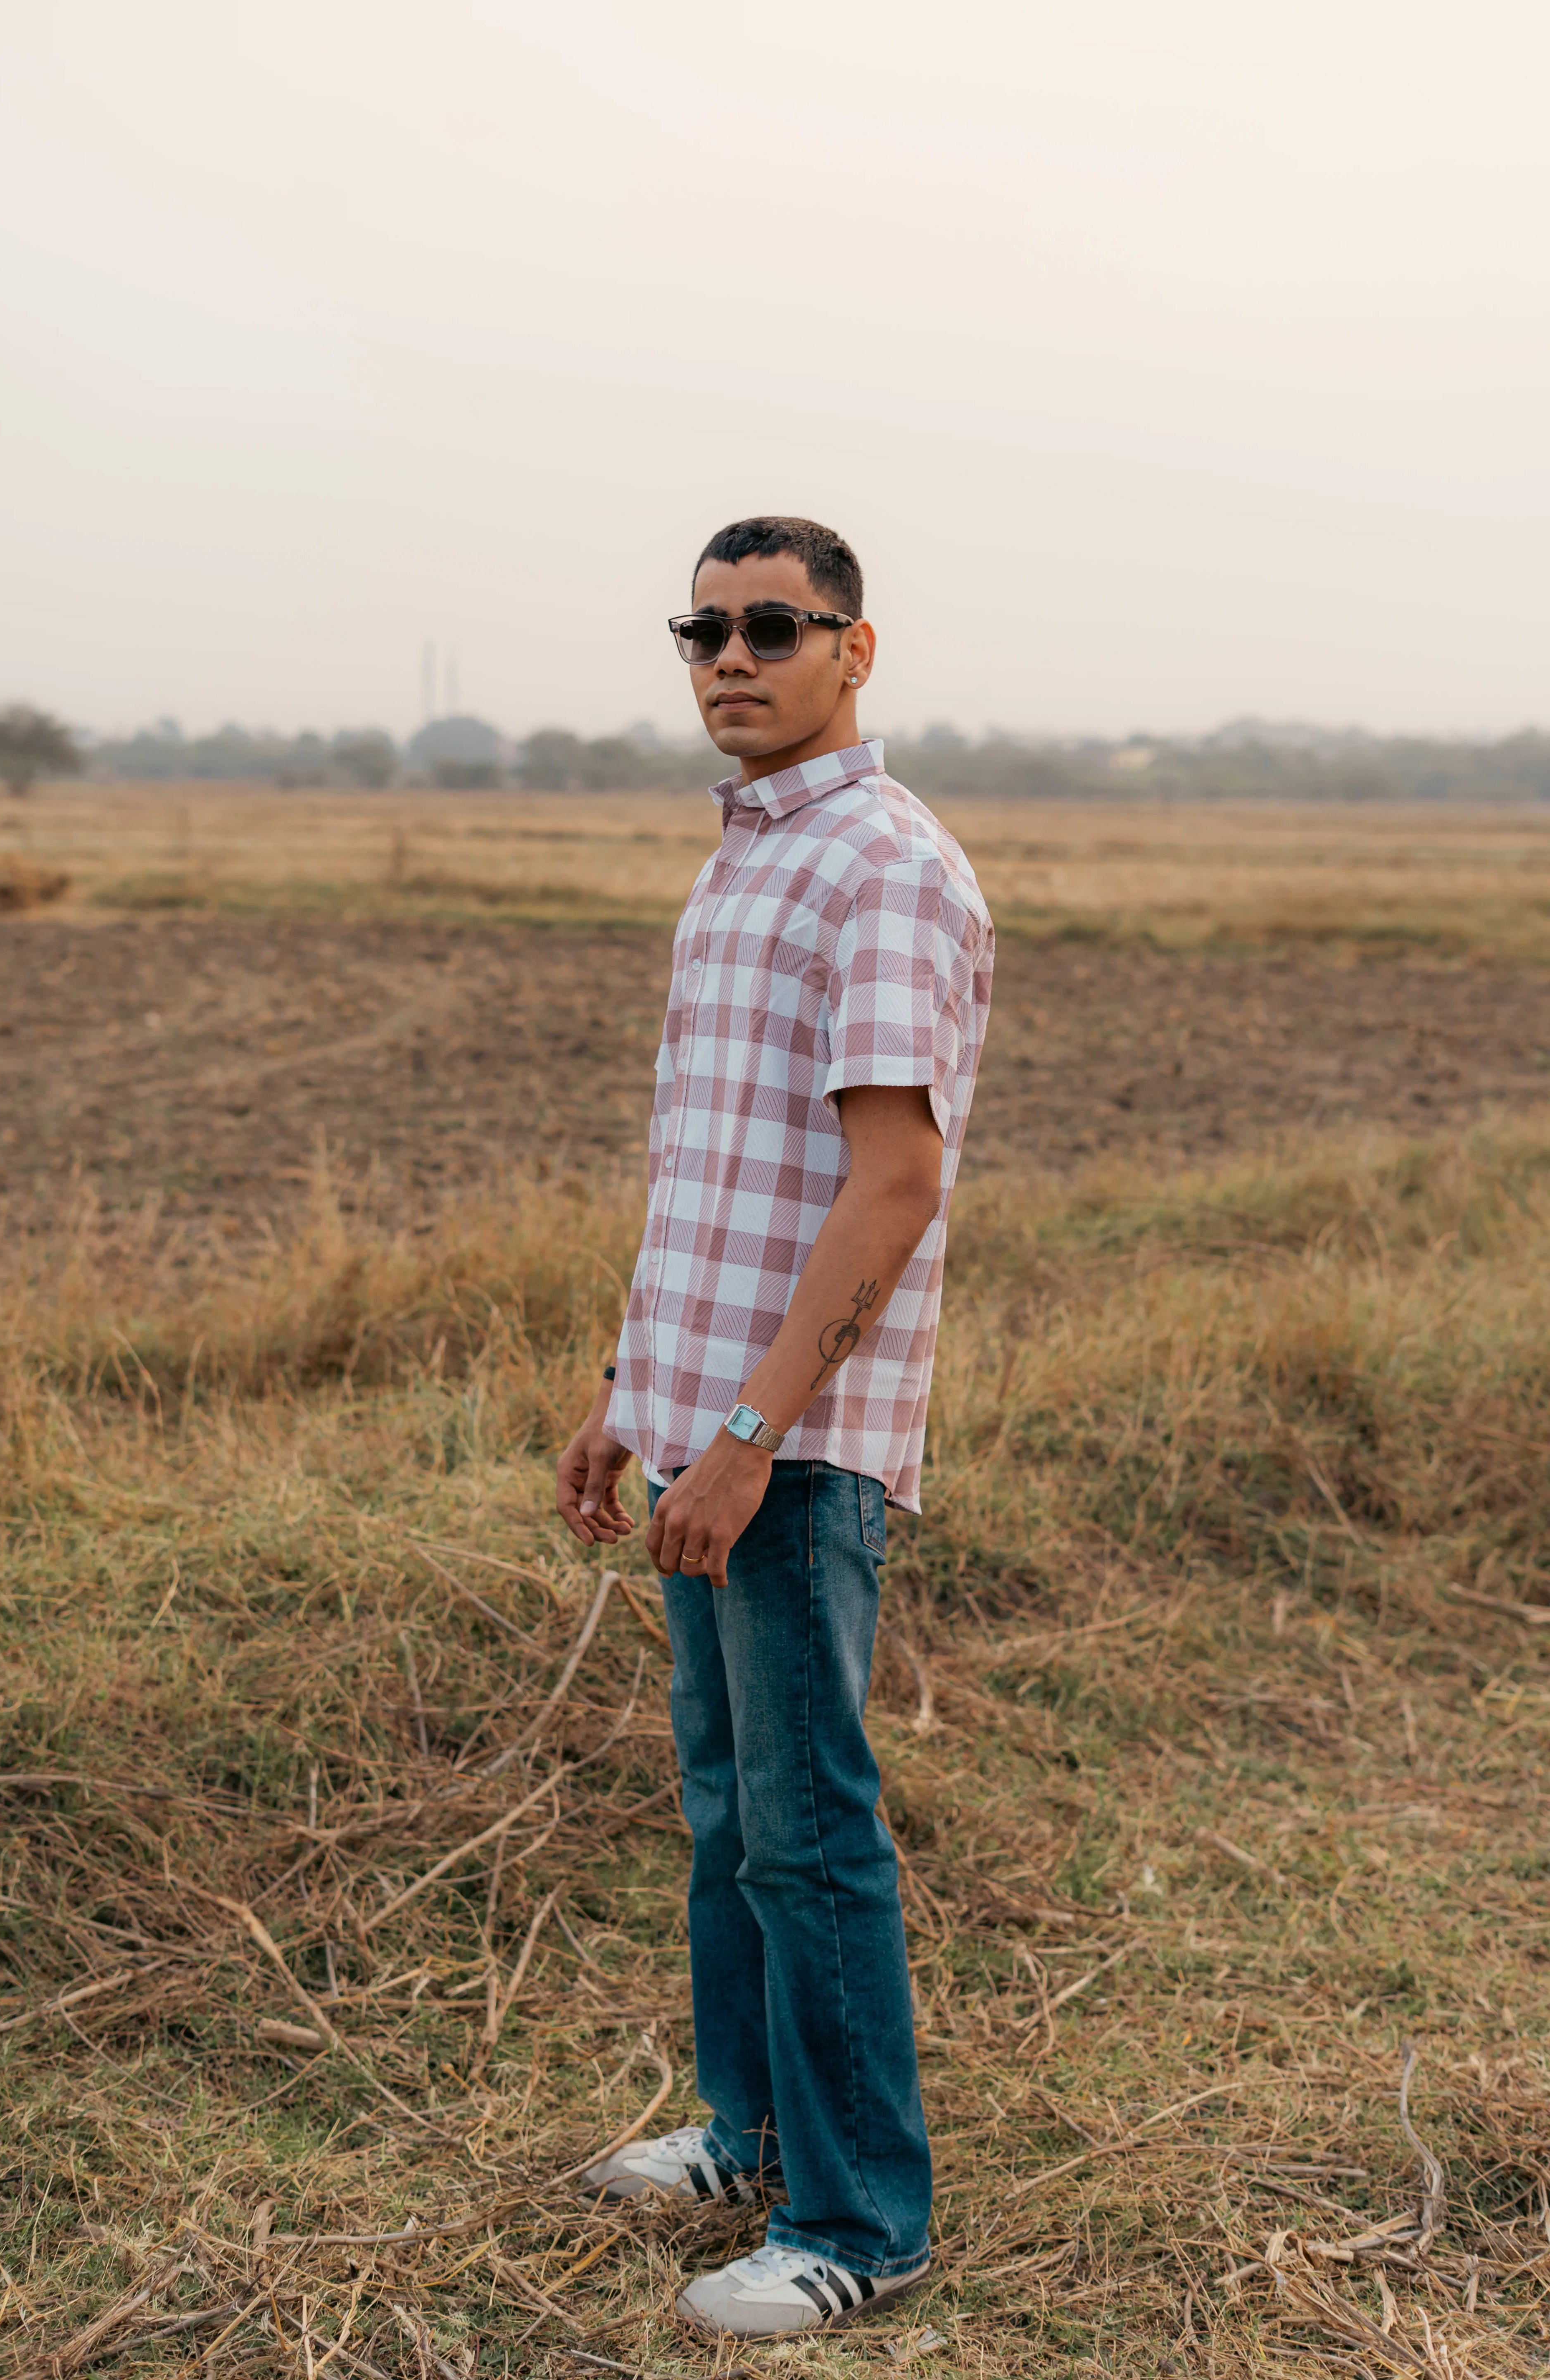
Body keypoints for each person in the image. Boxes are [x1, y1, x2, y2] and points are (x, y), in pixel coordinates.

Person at [555, 516, 992, 2340]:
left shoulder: (881, 867)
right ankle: (746, 2135)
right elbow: (723, 1171)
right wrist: (627, 1393)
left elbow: (892, 1184)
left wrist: (745, 1430)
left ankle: (861, 2220)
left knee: (811, 1828)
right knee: (733, 1809)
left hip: (789, 1448)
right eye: (703, 629)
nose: (730, 659)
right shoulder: (745, 862)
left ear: (854, 650)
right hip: (704, 1418)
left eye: (771, 629)